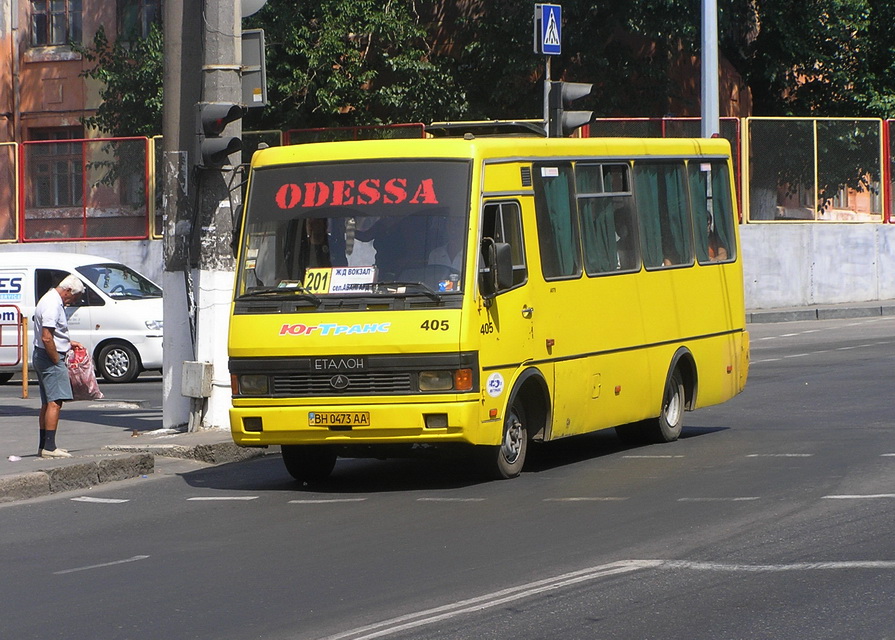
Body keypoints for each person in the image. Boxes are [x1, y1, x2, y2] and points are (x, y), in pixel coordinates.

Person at [33, 274, 85, 458]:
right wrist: (56, 359)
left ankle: (44, 446)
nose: (74, 301)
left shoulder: (49, 299)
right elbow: (47, 336)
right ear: (68, 291)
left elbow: (53, 334)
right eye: (75, 297)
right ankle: (50, 447)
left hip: (44, 354)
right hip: (49, 357)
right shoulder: (53, 305)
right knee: (55, 402)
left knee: (48, 403)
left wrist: (67, 343)